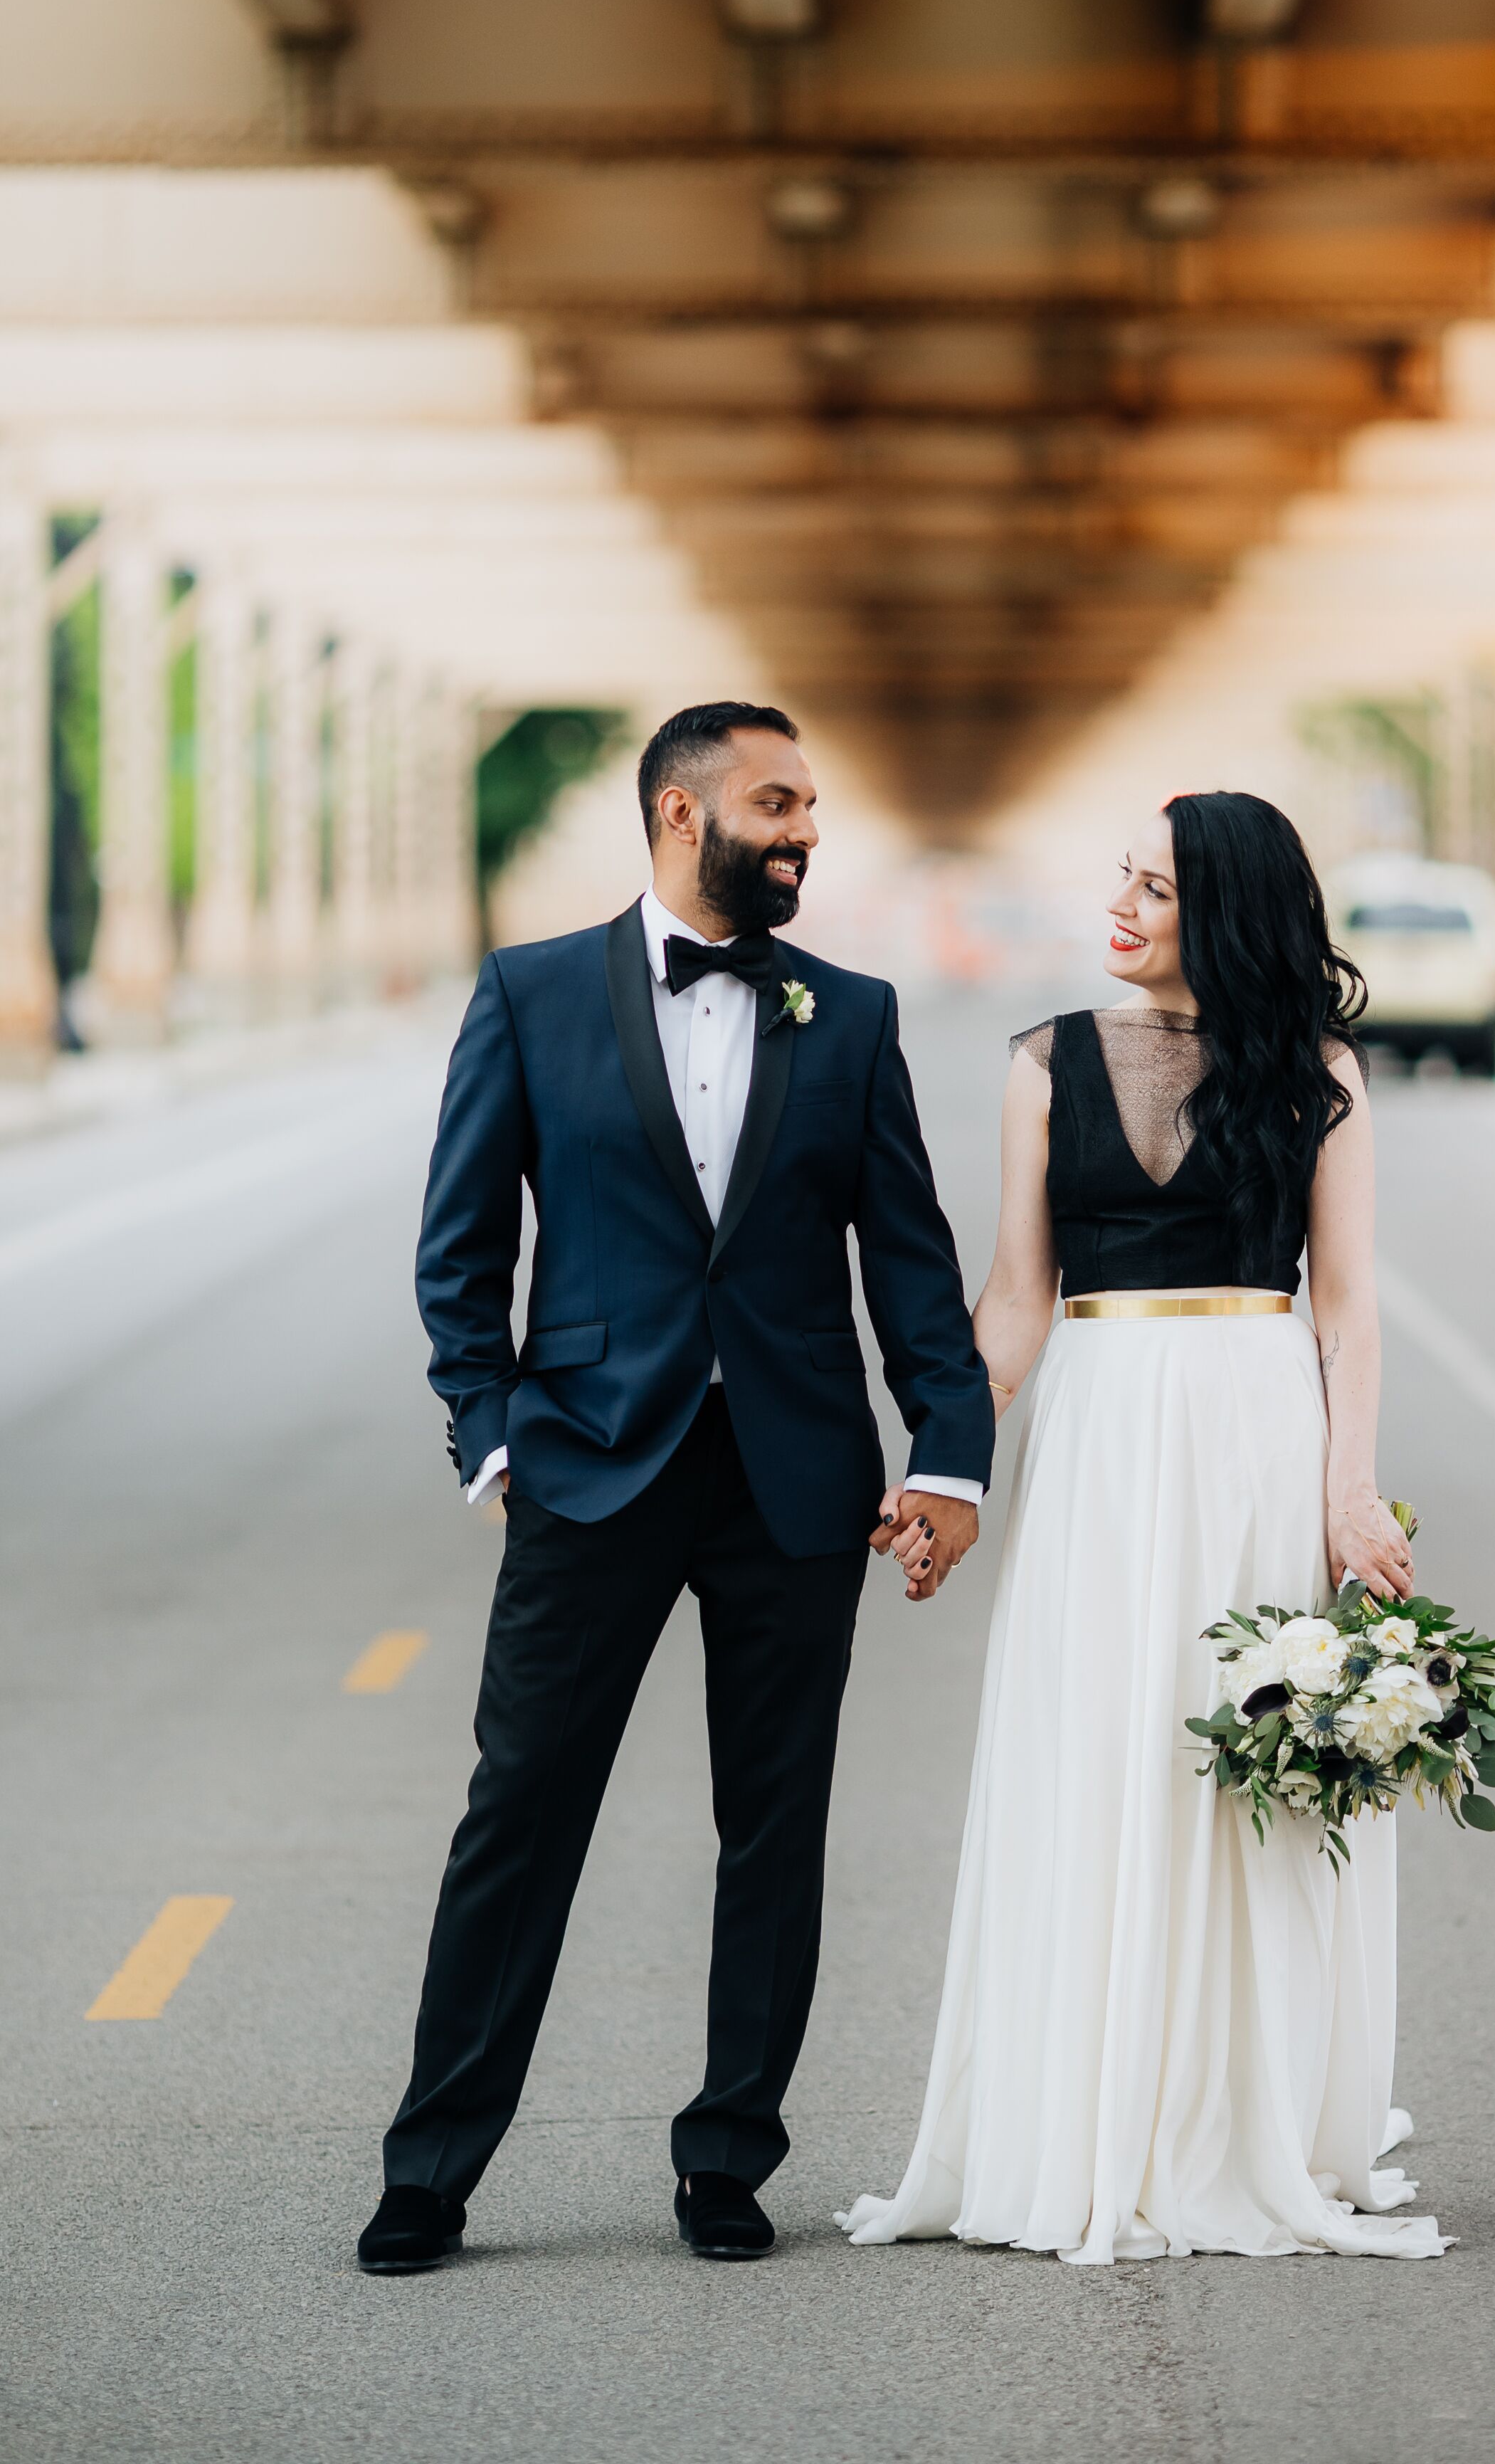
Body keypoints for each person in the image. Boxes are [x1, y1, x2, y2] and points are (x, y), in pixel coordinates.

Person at [358, 702, 993, 2273]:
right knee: (518, 1815)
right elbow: (459, 1251)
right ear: (675, 813)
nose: (805, 830)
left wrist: (950, 1455)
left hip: (793, 1482)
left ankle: (727, 2155)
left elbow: (910, 1265)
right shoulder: (530, 993)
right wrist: (488, 1433)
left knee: (772, 1827)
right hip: (586, 1467)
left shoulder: (847, 1015)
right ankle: (431, 2167)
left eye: (811, 804)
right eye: (776, 802)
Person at [840, 791, 1448, 2265]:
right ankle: (1091, 2112)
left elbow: (1349, 1302)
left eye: (1155, 886)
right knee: (1102, 1749)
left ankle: (1239, 2116)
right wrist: (942, 1467)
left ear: (1226, 909)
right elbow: (1012, 1298)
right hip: (1102, 1433)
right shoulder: (1042, 1059)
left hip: (1252, 1428)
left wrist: (1347, 1487)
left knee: (1238, 1768)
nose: (1121, 905)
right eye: (1120, 877)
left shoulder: (1319, 1072)